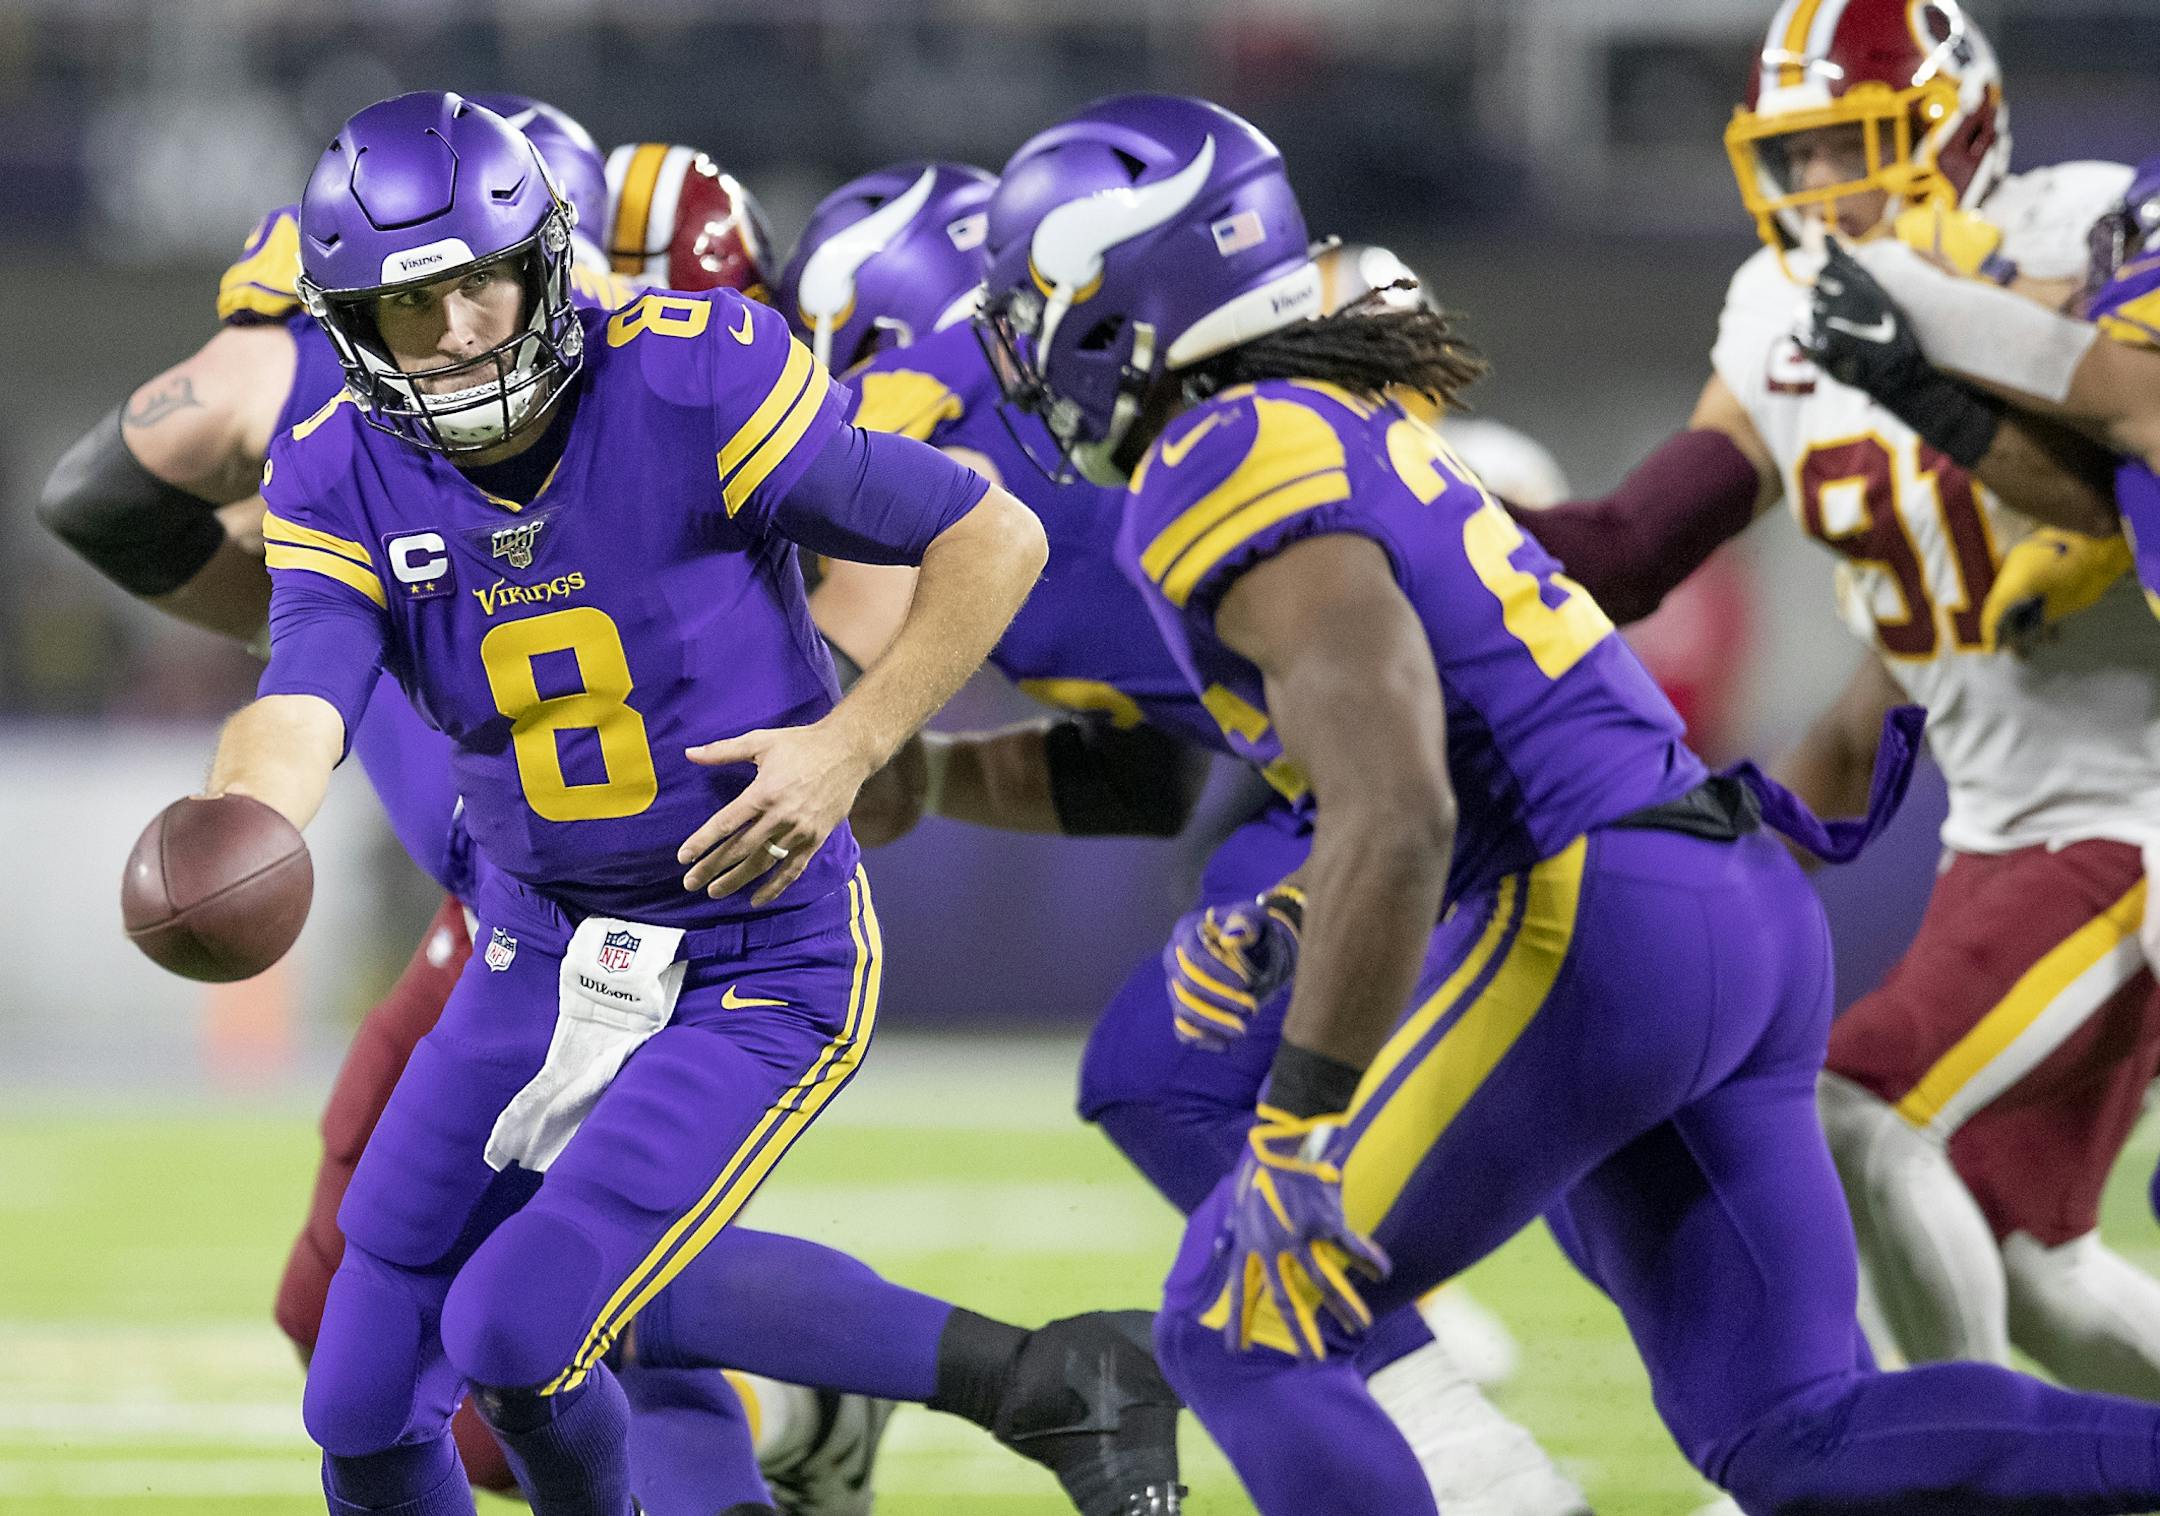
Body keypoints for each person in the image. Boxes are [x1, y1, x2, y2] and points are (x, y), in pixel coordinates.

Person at [975, 87, 2160, 1516]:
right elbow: (1483, 739)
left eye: (1028, 299)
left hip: (1602, 915)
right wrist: (1297, 905)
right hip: (1718, 897)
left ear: (1121, 295)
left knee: (1243, 1322)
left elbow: (1400, 808)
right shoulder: (1325, 417)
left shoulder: (1221, 451)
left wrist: (1291, 1131)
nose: (1017, 346)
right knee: (1801, 1438)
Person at [172, 90, 1053, 1516]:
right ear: (351, 326)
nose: (457, 329)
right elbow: (306, 690)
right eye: (411, 306)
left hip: (751, 949)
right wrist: (245, 817)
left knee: (522, 1332)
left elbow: (988, 531)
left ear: (543, 260)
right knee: (355, 1401)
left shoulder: (692, 377)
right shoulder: (337, 465)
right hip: (531, 949)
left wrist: (852, 742)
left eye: (479, 281)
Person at [785, 168, 1592, 1516]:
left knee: (1160, 1071)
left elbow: (819, 687)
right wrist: (922, 770)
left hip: (1448, 781)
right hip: (1466, 770)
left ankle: (1450, 1441)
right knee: (1629, 1176)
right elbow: (1145, 768)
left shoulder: (993, 442)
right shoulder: (1064, 461)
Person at [1701, 0, 2160, 1393]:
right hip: (2006, 831)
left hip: (2127, 816)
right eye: (1803, 152)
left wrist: (1935, 357)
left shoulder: (2088, 228)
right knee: (2034, 1268)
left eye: (1858, 142)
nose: (1826, 184)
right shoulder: (1788, 313)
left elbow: (2128, 435)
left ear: (1957, 132)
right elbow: (1873, 677)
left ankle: (1954, 1470)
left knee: (1854, 1101)